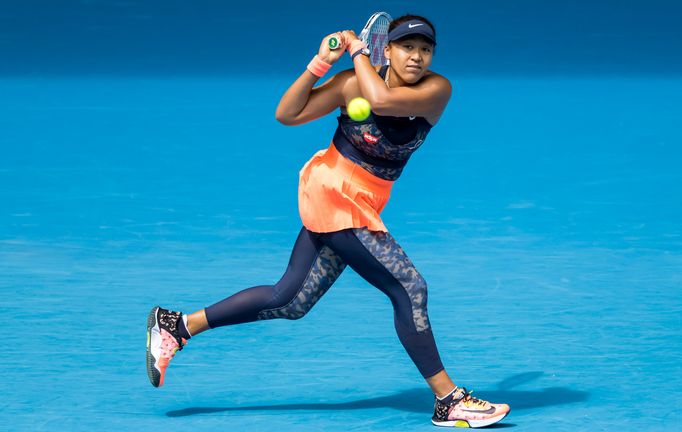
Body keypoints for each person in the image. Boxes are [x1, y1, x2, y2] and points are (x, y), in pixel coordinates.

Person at [145, 14, 510, 428]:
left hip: (362, 201)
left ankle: (177, 326)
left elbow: (384, 101)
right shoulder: (353, 82)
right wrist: (319, 64)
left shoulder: (436, 89)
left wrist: (359, 58)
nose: (417, 57)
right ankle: (449, 400)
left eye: (425, 49)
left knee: (290, 299)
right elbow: (287, 114)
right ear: (386, 50)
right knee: (409, 288)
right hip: (334, 192)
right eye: (407, 47)